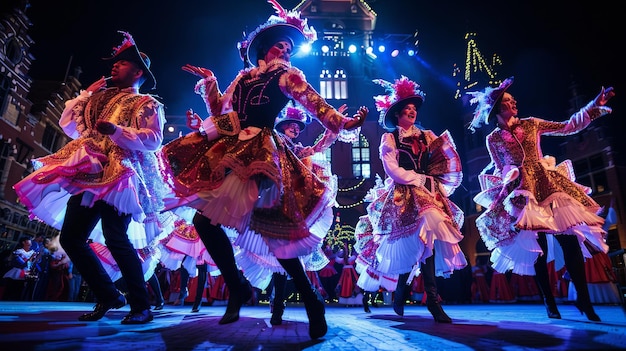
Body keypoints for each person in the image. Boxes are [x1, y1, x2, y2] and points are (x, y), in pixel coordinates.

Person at [159, 2, 366, 339]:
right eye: (280, 45)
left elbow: (314, 103)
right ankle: (237, 287)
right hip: (231, 151)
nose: (285, 50)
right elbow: (220, 110)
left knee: (275, 234)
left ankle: (311, 300)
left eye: (289, 47)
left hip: (264, 154)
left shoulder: (288, 76)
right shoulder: (243, 78)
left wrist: (344, 123)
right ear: (263, 49)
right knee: (203, 222)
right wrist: (211, 81)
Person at [13, 31, 168, 324]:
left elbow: (153, 139)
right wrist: (85, 95)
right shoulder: (98, 99)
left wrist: (117, 131)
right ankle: (108, 295)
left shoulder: (145, 102)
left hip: (120, 176)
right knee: (72, 238)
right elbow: (72, 128)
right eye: (115, 62)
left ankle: (141, 306)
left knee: (116, 237)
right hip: (87, 174)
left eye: (121, 63)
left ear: (137, 72)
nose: (114, 66)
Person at [467, 77, 615, 321]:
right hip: (522, 191)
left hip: (547, 184)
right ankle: (548, 300)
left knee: (570, 241)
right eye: (507, 100)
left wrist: (592, 106)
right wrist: (504, 178)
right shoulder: (492, 138)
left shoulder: (532, 123)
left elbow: (568, 126)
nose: (514, 102)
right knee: (539, 249)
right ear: (497, 108)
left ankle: (584, 300)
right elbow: (498, 165)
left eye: (513, 99)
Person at [353, 76, 467, 323]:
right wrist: (417, 178)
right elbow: (392, 169)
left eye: (414, 109)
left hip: (428, 192)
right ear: (397, 115)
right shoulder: (389, 139)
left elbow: (442, 159)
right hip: (402, 195)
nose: (412, 112)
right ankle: (404, 290)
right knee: (418, 244)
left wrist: (430, 181)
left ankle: (431, 300)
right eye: (407, 109)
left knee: (430, 240)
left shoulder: (427, 135)